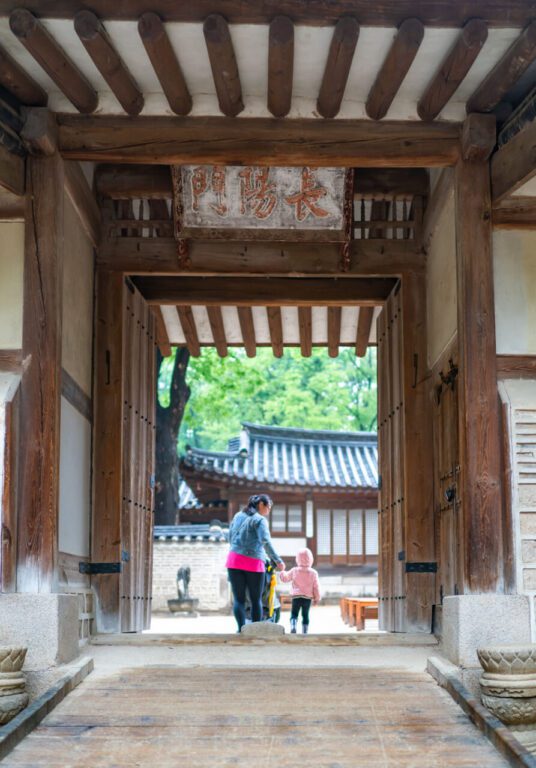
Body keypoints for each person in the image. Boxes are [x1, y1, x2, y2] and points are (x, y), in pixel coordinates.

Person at [226, 494, 285, 632]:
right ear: (261, 505)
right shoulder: (260, 520)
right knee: (255, 600)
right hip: (253, 563)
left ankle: (241, 630)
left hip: (234, 561)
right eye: (269, 507)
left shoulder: (237, 516)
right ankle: (254, 631)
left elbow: (230, 537)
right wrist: (278, 560)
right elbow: (265, 541)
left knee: (239, 600)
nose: (269, 510)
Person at [279, 548, 321, 634]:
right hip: (307, 598)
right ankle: (305, 631)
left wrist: (282, 572)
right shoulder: (313, 573)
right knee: (305, 615)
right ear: (311, 559)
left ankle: (293, 625)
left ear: (297, 559)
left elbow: (285, 578)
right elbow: (316, 587)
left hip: (296, 597)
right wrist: (317, 598)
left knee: (294, 613)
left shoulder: (294, 570)